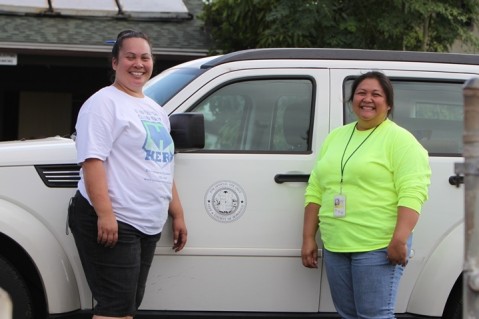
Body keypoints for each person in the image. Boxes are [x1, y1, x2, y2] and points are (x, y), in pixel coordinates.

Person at [68, 30, 187, 319]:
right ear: (114, 63)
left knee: (127, 305)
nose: (138, 64)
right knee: (115, 306)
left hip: (146, 223)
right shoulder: (103, 103)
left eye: (145, 57)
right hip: (116, 219)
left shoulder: (155, 110)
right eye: (130, 57)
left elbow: (160, 164)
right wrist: (105, 214)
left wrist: (178, 213)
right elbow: (92, 160)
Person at [301, 71, 431, 319]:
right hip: (336, 244)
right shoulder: (336, 137)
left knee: (374, 316)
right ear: (352, 100)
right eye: (361, 93)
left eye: (376, 94)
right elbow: (316, 187)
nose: (367, 98)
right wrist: (309, 237)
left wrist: (399, 240)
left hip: (378, 245)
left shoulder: (401, 140)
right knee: (348, 315)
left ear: (389, 103)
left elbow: (412, 192)